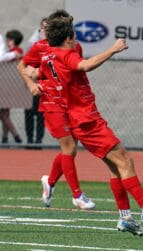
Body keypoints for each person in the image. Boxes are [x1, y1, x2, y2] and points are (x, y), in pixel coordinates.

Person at [22, 10, 143, 236]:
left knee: (115, 168)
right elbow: (85, 65)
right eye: (73, 34)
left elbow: (32, 70)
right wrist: (113, 49)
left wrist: (33, 75)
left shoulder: (48, 56)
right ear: (68, 37)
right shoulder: (67, 54)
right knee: (125, 160)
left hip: (78, 120)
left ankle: (125, 218)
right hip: (87, 120)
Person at [18, 10, 95, 210]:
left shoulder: (74, 46)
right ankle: (77, 195)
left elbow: (74, 72)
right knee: (69, 148)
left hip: (70, 104)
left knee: (69, 149)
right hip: (51, 103)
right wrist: (31, 84)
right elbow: (22, 66)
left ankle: (50, 182)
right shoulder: (39, 47)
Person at [24, 18, 46, 145]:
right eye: (42, 27)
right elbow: (25, 64)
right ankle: (29, 140)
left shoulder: (53, 43)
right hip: (32, 82)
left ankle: (38, 140)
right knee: (29, 113)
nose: (44, 30)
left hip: (44, 83)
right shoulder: (33, 43)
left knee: (41, 114)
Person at [0, 30, 23, 144]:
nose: (7, 42)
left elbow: (8, 60)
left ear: (13, 40)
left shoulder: (17, 51)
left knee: (3, 115)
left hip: (9, 86)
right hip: (6, 86)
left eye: (9, 40)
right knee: (5, 114)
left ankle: (16, 135)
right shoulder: (10, 52)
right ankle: (5, 137)